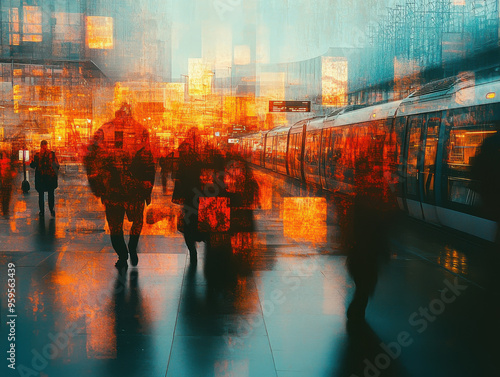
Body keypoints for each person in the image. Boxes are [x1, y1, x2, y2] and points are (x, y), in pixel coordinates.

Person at [85, 103, 155, 270]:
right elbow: (149, 161)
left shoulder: (103, 131)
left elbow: (90, 156)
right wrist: (147, 186)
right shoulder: (140, 130)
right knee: (132, 222)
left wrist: (98, 184)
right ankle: (129, 248)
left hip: (117, 190)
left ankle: (123, 254)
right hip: (131, 189)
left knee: (116, 226)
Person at [172, 128, 204, 263]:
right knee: (198, 223)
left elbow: (177, 175)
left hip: (190, 195)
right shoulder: (201, 154)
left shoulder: (183, 153)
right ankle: (195, 247)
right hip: (201, 194)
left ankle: (192, 250)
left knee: (188, 224)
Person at [30, 140, 59, 217]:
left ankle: (42, 212)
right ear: (47, 145)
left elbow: (33, 165)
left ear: (41, 146)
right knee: (51, 194)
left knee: (41, 195)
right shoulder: (51, 154)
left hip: (41, 178)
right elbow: (56, 165)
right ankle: (51, 210)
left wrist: (32, 161)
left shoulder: (37, 155)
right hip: (50, 178)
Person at [0, 149, 16, 216]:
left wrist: (12, 174)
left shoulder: (9, 162)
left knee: (7, 195)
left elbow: (13, 171)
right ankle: (5, 209)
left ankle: (5, 209)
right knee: (4, 196)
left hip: (7, 180)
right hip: (3, 181)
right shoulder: (7, 162)